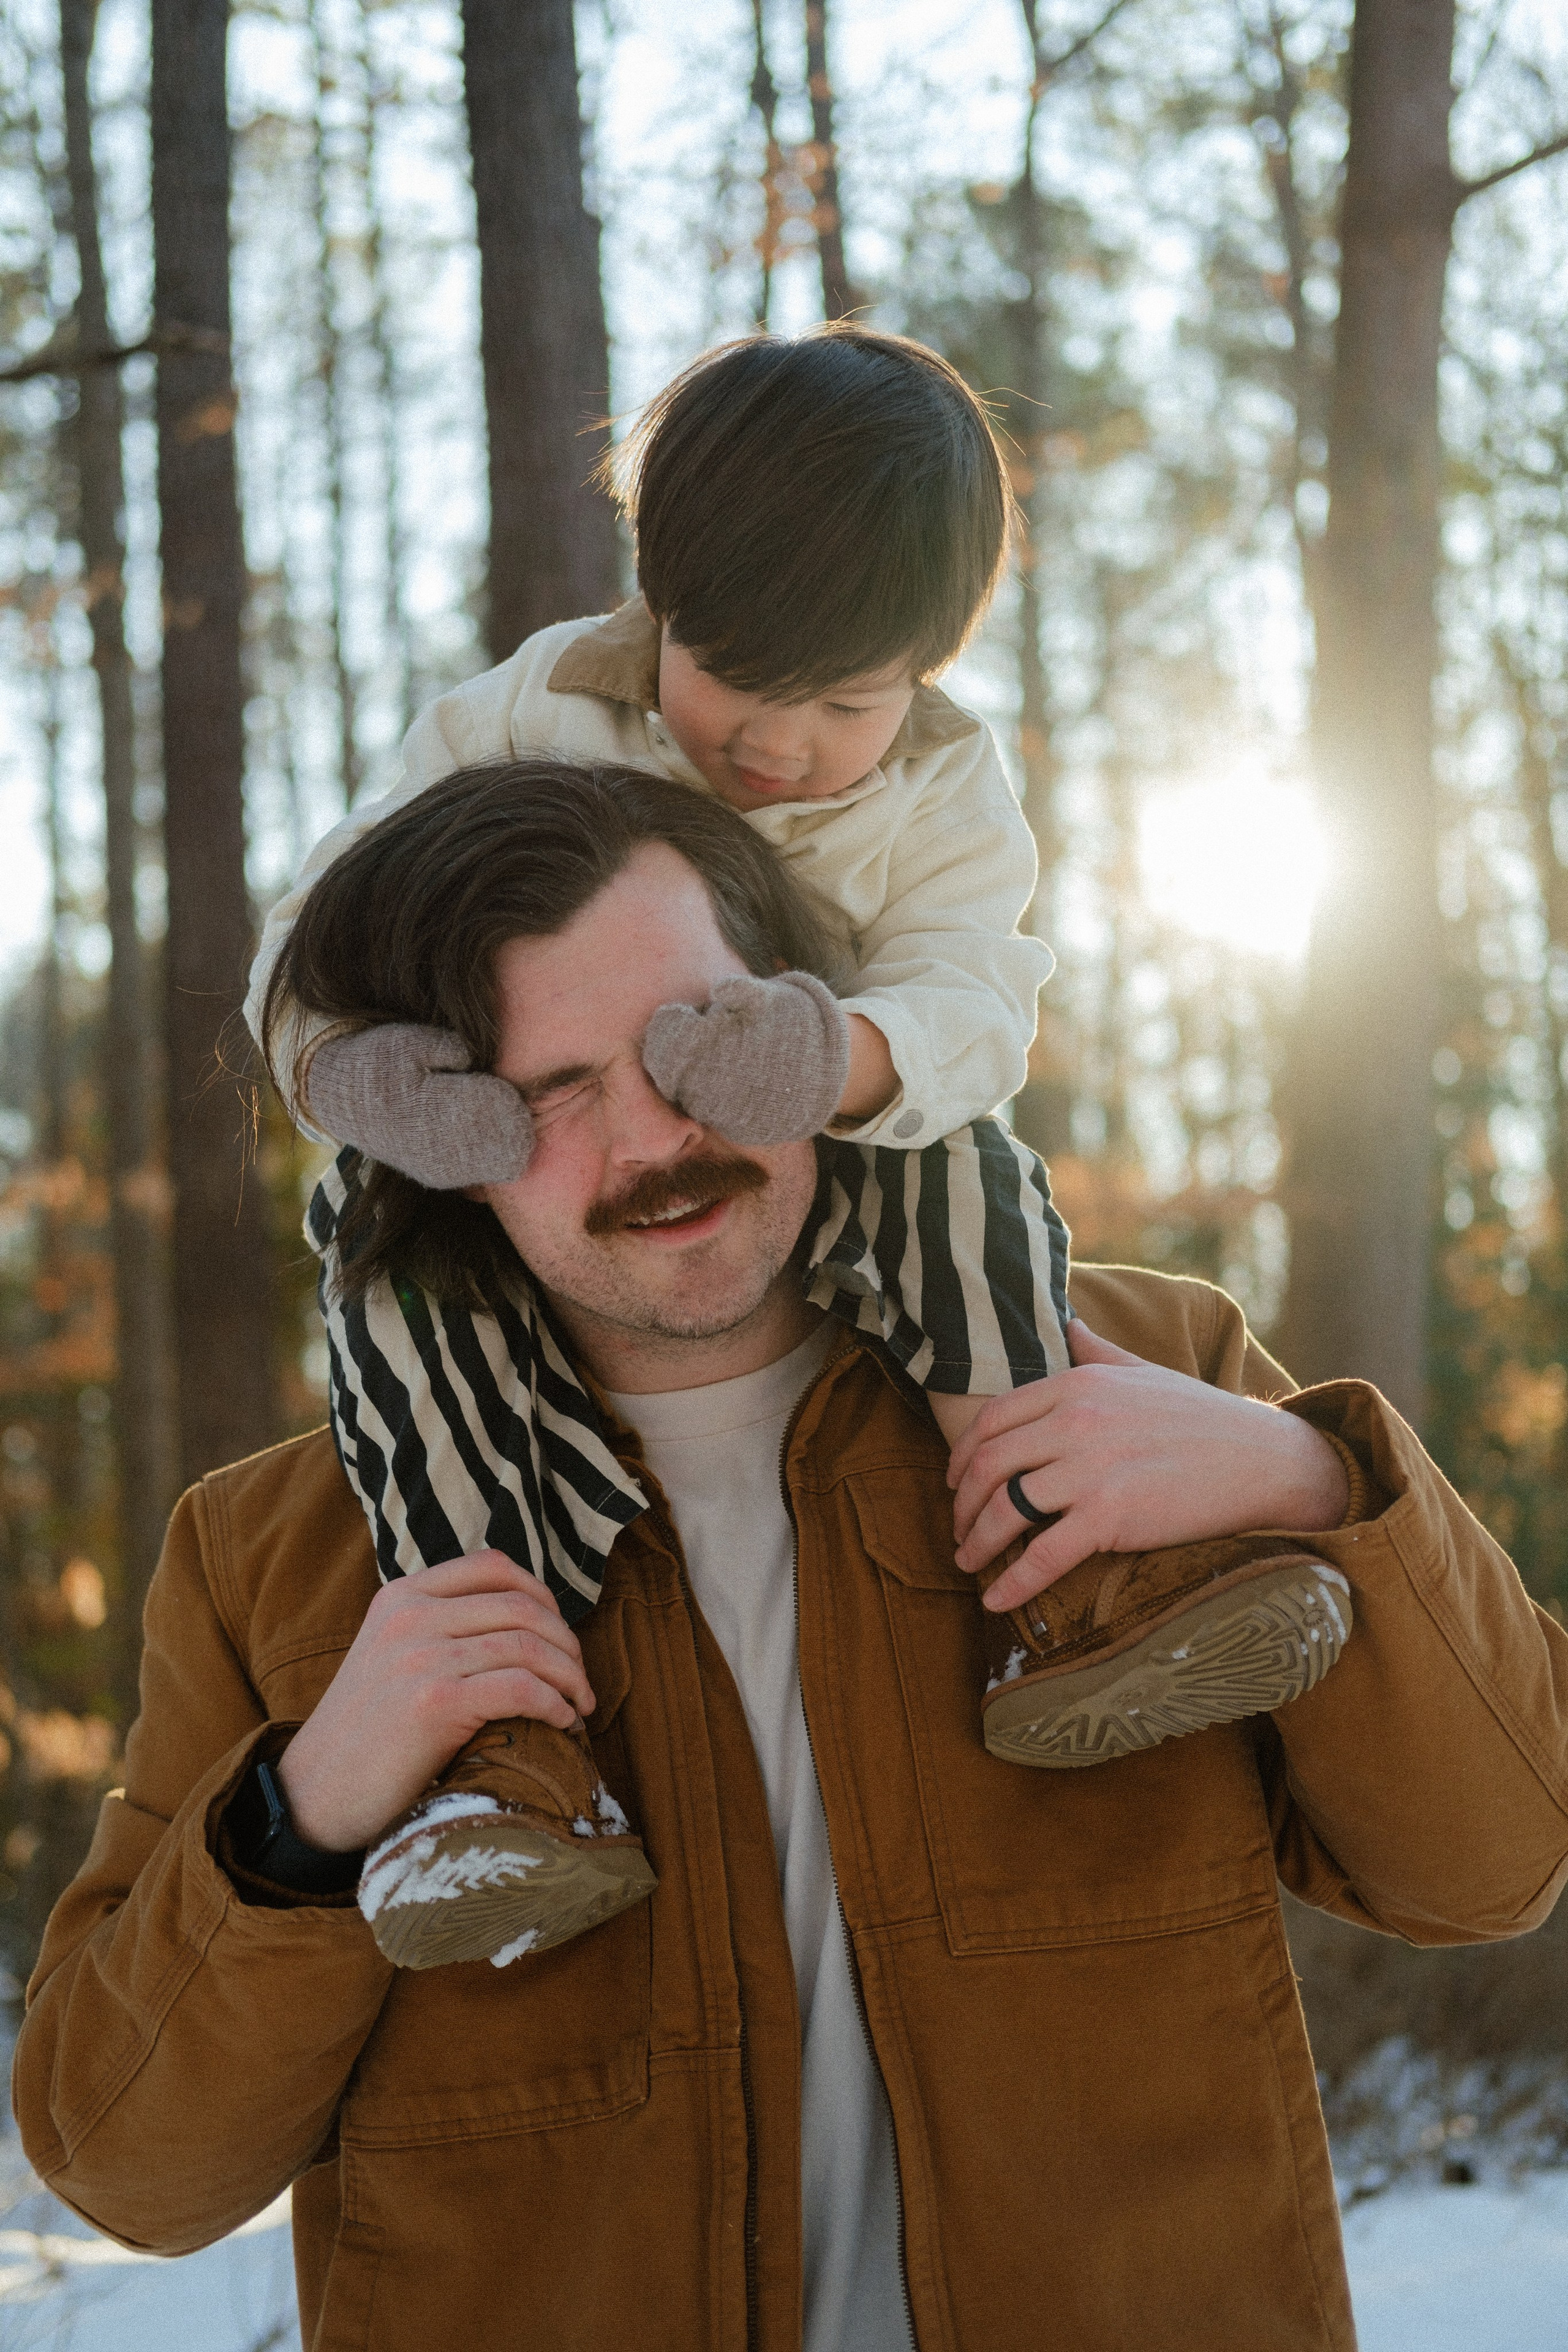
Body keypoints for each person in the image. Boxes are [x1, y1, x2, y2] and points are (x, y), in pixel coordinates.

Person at [17, 761, 1568, 2352]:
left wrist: (1318, 1481)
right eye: (549, 1094)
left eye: (702, 1045)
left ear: (819, 1031)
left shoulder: (1135, 1369)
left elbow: (1498, 1860)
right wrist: (312, 1805)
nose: (652, 1138)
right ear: (436, 1140)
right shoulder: (282, 1557)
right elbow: (133, 2168)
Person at [246, 328, 1354, 1970]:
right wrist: (371, 1075)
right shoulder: (526, 712)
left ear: (925, 662)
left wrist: (848, 1053)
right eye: (734, 684)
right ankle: (504, 1753)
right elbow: (318, 927)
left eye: (845, 703)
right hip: (518, 1160)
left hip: (836, 1139)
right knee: (400, 1286)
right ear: (655, 596)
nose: (779, 748)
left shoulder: (945, 787)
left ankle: (1067, 1579)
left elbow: (983, 988)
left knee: (968, 1170)